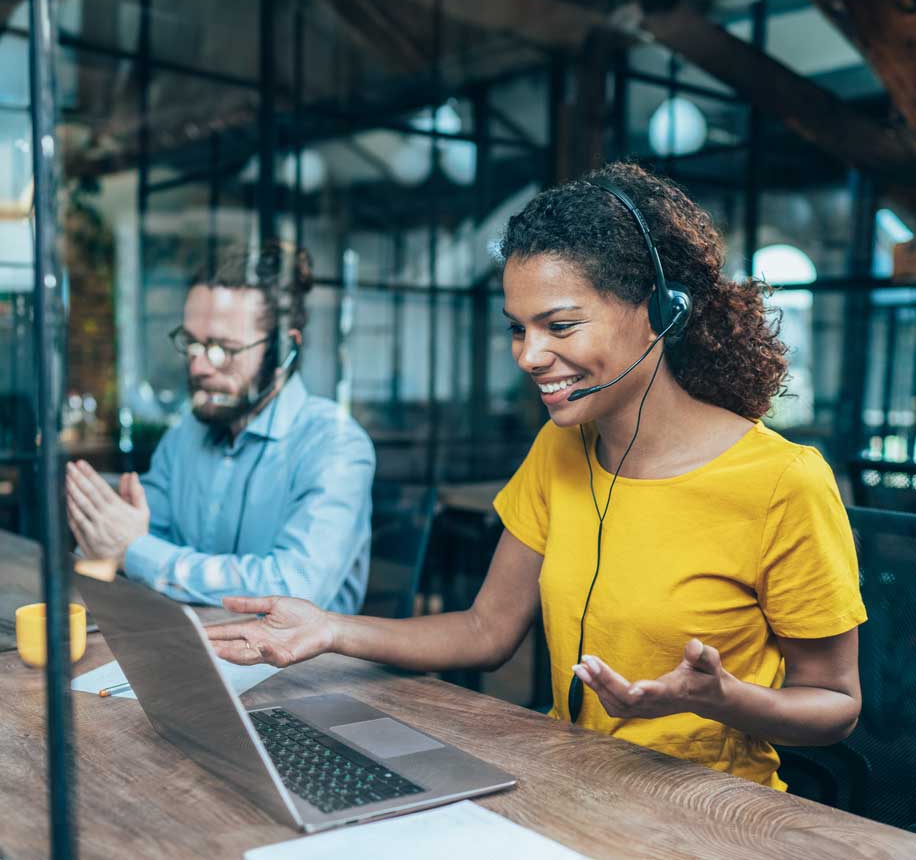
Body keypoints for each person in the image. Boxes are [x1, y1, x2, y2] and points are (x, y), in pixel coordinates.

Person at [205, 163, 866, 790]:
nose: (529, 355)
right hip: (569, 783)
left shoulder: (783, 481)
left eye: (559, 325)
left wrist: (721, 698)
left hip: (708, 812)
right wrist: (328, 629)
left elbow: (835, 703)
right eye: (518, 329)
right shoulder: (561, 447)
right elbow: (485, 631)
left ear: (660, 312)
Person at [65, 240, 375, 614]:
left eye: (223, 350)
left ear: (283, 349)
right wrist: (105, 537)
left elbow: (293, 590)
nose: (198, 367)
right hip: (187, 641)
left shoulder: (335, 446)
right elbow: (130, 541)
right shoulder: (184, 437)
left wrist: (134, 551)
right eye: (192, 344)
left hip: (299, 654)